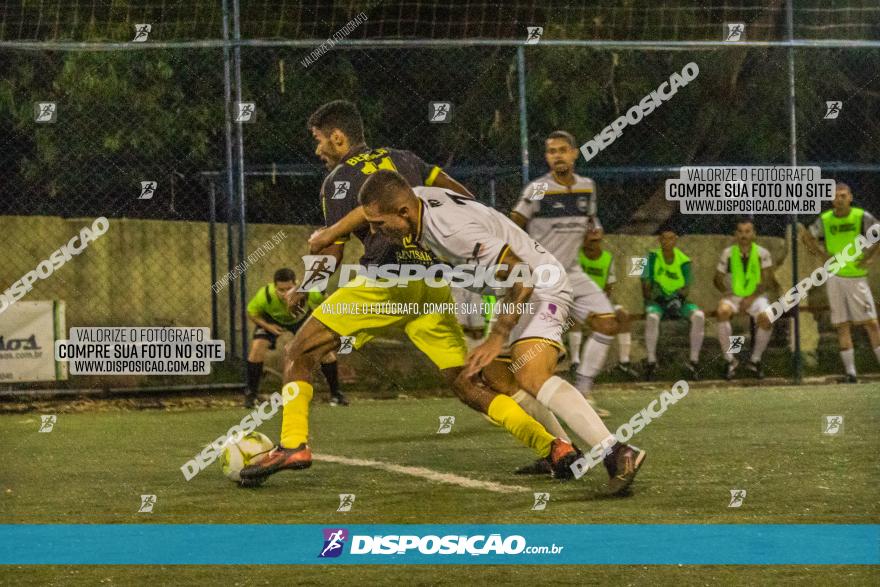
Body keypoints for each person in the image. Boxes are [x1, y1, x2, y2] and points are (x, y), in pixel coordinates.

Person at [240, 101, 578, 483]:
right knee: (467, 382)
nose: (317, 150)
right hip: (432, 284)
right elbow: (460, 195)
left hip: (382, 285)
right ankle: (554, 446)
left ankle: (293, 444)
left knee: (299, 351)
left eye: (319, 141)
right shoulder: (406, 160)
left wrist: (307, 287)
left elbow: (332, 253)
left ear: (338, 137)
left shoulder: (339, 180)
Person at [358, 169, 646, 495]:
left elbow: (522, 274)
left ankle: (617, 452)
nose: (374, 231)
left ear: (403, 212)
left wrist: (497, 335)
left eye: (379, 224)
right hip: (518, 293)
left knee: (531, 374)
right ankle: (561, 449)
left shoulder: (452, 231)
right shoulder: (416, 198)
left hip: (540, 287)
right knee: (497, 378)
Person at [510, 130, 620, 401]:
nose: (557, 156)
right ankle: (516, 398)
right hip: (542, 277)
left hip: (572, 272)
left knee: (607, 324)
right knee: (530, 347)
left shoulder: (587, 187)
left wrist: (595, 233)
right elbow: (512, 226)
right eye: (551, 152)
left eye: (562, 150)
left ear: (574, 153)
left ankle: (582, 391)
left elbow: (591, 222)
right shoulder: (536, 189)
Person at [802, 183, 880, 382]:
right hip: (835, 277)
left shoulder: (861, 216)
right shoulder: (825, 219)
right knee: (842, 325)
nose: (840, 199)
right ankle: (851, 373)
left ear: (850, 197)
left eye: (843, 195)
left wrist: (870, 256)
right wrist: (821, 254)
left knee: (871, 323)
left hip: (856, 276)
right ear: (831, 200)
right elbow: (807, 236)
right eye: (836, 196)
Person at [245, 268, 345, 408]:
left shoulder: (309, 291)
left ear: (297, 284)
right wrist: (268, 327)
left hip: (301, 319)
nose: (286, 294)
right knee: (257, 348)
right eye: (281, 290)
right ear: (274, 287)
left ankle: (336, 394)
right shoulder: (265, 295)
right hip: (273, 321)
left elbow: (328, 301)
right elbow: (252, 312)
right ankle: (251, 396)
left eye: (290, 289)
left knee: (326, 352)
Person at [714, 220, 775, 379]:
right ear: (735, 235)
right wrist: (726, 292)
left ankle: (755, 360)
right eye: (740, 231)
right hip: (734, 296)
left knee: (767, 318)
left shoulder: (763, 253)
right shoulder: (727, 253)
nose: (744, 235)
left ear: (754, 234)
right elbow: (717, 279)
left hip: (756, 297)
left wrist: (751, 298)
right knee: (722, 312)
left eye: (747, 231)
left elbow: (768, 280)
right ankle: (730, 360)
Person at [641, 229, 705, 380]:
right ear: (659, 240)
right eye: (664, 239)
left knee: (699, 316)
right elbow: (644, 286)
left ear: (676, 240)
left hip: (678, 302)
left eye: (671, 239)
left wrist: (675, 298)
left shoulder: (685, 260)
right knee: (652, 318)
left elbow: (686, 289)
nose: (667, 242)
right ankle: (651, 361)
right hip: (657, 301)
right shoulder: (649, 257)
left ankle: (694, 361)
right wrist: (656, 296)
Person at [577, 227, 638, 379]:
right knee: (574, 320)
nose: (593, 244)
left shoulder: (607, 258)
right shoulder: (575, 257)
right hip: (577, 302)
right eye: (590, 240)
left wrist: (600, 306)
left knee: (623, 315)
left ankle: (624, 363)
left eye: (596, 241)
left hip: (599, 301)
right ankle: (574, 363)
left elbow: (608, 287)